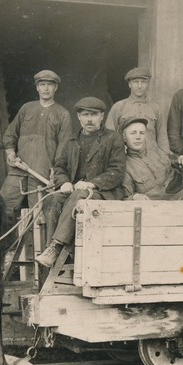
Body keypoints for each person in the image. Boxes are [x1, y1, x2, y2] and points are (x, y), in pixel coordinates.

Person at [35, 97, 127, 267]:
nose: (89, 119)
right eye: (85, 115)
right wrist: (63, 182)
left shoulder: (113, 138)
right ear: (79, 117)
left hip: (103, 192)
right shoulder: (71, 140)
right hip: (75, 192)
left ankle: (56, 247)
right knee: (52, 199)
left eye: (94, 114)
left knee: (79, 196)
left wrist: (92, 183)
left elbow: (117, 171)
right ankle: (56, 251)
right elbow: (59, 166)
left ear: (102, 117)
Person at [0, 70, 72, 222]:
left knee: (40, 216)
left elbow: (64, 147)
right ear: (37, 88)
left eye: (50, 85)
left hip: (42, 173)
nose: (46, 88)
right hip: (18, 169)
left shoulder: (62, 114)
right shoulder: (26, 108)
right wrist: (11, 153)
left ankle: (39, 247)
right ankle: (7, 246)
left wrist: (56, 171)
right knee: (4, 209)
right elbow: (10, 134)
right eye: (42, 84)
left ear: (56, 88)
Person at [106, 66, 169, 152]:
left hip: (151, 156)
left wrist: (165, 158)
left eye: (143, 82)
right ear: (129, 84)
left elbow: (162, 138)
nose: (140, 86)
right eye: (136, 82)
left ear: (148, 84)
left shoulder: (156, 108)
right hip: (127, 157)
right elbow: (109, 135)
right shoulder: (118, 106)